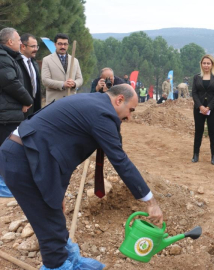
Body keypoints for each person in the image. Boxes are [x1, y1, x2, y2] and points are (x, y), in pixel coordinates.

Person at [0, 84, 163, 270]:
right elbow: (120, 160)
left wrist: (58, 192)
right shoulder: (102, 115)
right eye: (130, 110)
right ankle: (56, 266)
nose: (129, 117)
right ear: (119, 100)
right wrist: (150, 202)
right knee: (48, 224)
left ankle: (70, 261)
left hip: (35, 155)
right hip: (23, 160)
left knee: (54, 216)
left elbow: (62, 152)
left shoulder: (94, 104)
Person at [0, 27, 33, 198]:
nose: (21, 42)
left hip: (9, 112)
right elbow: (11, 83)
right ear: (10, 41)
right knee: (7, 149)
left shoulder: (8, 57)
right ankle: (4, 186)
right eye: (19, 39)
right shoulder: (3, 58)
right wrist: (27, 100)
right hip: (6, 115)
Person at [191, 54, 214, 165]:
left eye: (208, 63)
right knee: (198, 131)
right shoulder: (196, 77)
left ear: (212, 64)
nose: (206, 65)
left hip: (212, 108)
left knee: (213, 132)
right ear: (201, 64)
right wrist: (200, 106)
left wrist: (208, 107)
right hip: (198, 107)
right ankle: (195, 154)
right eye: (204, 63)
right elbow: (194, 92)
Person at [42, 33, 83, 104]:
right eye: (60, 44)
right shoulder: (47, 60)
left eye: (65, 44)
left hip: (71, 101)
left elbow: (80, 79)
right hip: (54, 102)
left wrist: (74, 83)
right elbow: (45, 80)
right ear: (55, 44)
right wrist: (63, 84)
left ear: (68, 45)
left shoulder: (75, 60)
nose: (63, 46)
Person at [17, 33, 42, 117]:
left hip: (34, 108)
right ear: (23, 46)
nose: (36, 49)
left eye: (37, 46)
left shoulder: (34, 63)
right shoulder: (15, 62)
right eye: (33, 46)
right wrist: (24, 101)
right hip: (21, 108)